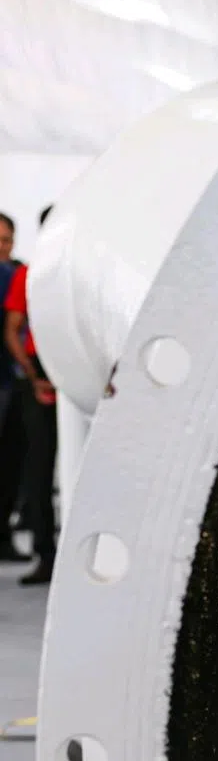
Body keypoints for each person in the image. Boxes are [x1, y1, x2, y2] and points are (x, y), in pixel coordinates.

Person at [3, 206, 57, 584]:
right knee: (37, 469)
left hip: (68, 375)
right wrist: (33, 375)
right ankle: (46, 552)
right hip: (39, 377)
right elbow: (13, 328)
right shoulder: (29, 273)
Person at [0, 213, 29, 563]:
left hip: (10, 381)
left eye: (7, 240)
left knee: (11, 461)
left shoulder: (16, 273)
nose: (3, 248)